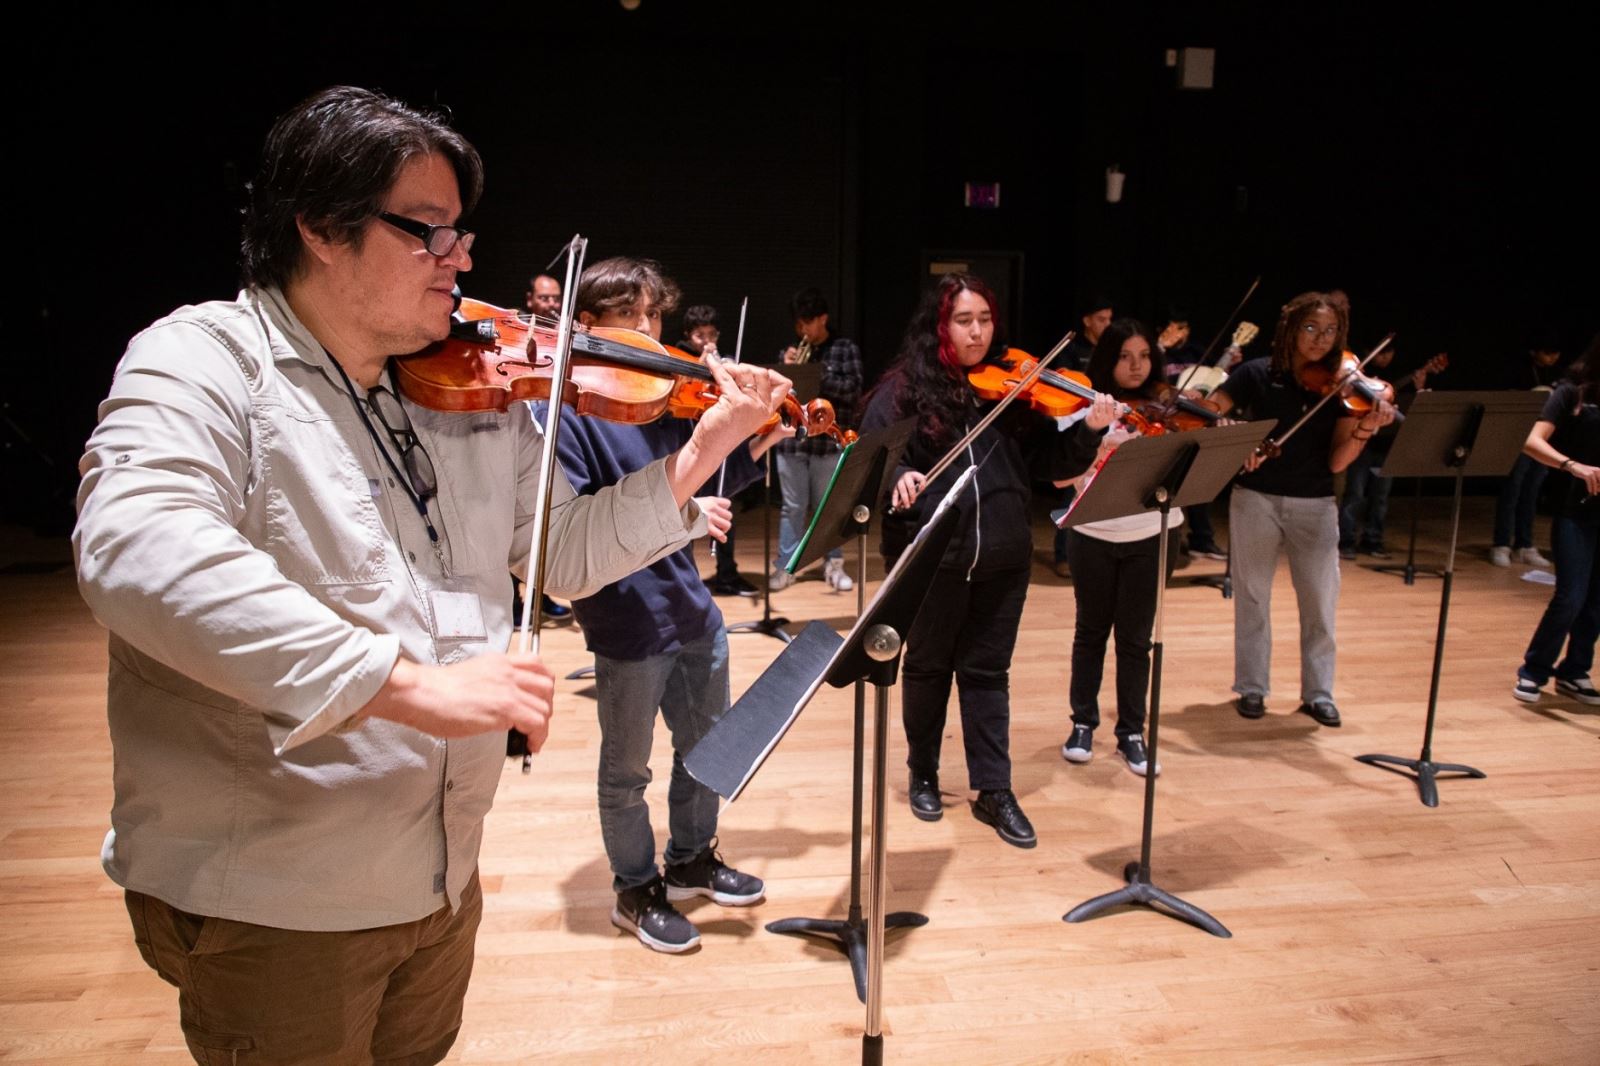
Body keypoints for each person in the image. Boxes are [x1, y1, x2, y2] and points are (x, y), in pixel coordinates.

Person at [71, 87, 790, 1064]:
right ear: (321, 228)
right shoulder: (202, 364)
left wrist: (701, 450)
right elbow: (135, 549)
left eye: (462, 232)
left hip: (443, 878)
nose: (462, 258)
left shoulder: (466, 389)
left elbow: (566, 549)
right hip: (282, 900)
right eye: (429, 231)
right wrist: (405, 683)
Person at [540, 258, 786, 954]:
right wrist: (684, 510)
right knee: (628, 771)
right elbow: (587, 523)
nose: (649, 332)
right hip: (624, 620)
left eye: (655, 316)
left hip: (692, 608)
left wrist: (751, 437)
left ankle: (690, 860)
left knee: (704, 752)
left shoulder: (656, 397)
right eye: (631, 316)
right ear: (588, 325)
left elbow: (702, 476)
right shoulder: (569, 413)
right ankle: (635, 886)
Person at [862, 272, 1111, 848]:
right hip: (932, 555)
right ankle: (923, 771)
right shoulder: (903, 390)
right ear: (940, 325)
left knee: (986, 672)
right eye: (963, 320)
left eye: (985, 320)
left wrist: (1090, 431)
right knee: (926, 668)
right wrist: (897, 476)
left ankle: (993, 789)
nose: (977, 332)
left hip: (1003, 554)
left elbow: (1049, 464)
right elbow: (872, 456)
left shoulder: (1012, 388)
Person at [1206, 291, 1396, 728]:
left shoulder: (1343, 387)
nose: (1319, 340)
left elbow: (1336, 462)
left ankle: (1319, 693)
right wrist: (1235, 434)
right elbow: (1207, 411)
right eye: (1311, 328)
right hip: (1255, 498)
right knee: (1252, 596)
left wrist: (1367, 426)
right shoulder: (1254, 374)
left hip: (1315, 503)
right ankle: (1251, 688)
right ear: (1291, 329)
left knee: (1320, 602)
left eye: (1330, 331)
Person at [1059, 319, 1183, 776]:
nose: (1136, 366)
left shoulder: (1166, 409)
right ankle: (1082, 723)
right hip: (1092, 534)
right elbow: (1060, 477)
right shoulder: (1082, 406)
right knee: (1090, 632)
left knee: (1136, 640)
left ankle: (1132, 730)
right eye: (1126, 356)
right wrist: (1096, 443)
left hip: (1152, 534)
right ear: (1108, 359)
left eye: (1145, 356)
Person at [1513, 332, 1600, 705]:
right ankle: (1534, 670)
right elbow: (1531, 440)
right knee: (1571, 597)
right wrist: (1572, 465)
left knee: (1597, 601)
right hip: (1574, 511)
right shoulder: (1572, 391)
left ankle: (1575, 671)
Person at [772, 286, 863, 592]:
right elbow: (777, 399)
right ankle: (786, 567)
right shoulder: (790, 350)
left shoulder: (844, 348)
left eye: (807, 322)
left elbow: (852, 390)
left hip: (827, 442)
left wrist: (814, 373)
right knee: (792, 508)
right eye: (798, 324)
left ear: (822, 319)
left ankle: (833, 565)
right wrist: (786, 369)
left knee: (829, 508)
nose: (802, 330)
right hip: (792, 442)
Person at [679, 303, 758, 597]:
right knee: (683, 511)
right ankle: (685, 579)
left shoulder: (723, 359)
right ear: (688, 335)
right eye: (700, 335)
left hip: (718, 443)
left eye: (711, 334)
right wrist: (700, 365)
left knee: (725, 509)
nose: (708, 341)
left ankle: (727, 574)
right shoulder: (677, 356)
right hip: (685, 445)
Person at [1337, 346, 1440, 560]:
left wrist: (1419, 386)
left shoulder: (1397, 380)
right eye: (1381, 353)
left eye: (1389, 353)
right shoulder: (1358, 373)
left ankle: (1372, 540)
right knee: (1354, 494)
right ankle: (1346, 541)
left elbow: (1407, 412)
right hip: (1362, 444)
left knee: (1380, 497)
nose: (1384, 357)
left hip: (1386, 446)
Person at [1053, 292, 1115, 575]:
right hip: (1076, 422)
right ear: (1087, 321)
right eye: (1101, 319)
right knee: (1071, 488)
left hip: (1107, 420)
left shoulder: (1111, 351)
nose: (1107, 324)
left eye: (1110, 319)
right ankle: (1063, 554)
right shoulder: (1070, 351)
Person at [1491, 337, 1566, 567]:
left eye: (1556, 354)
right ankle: (1501, 543)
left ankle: (1524, 545)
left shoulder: (1557, 375)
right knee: (1512, 489)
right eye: (1547, 353)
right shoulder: (1519, 371)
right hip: (1518, 438)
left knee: (1532, 492)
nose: (1552, 358)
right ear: (1534, 351)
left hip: (1542, 439)